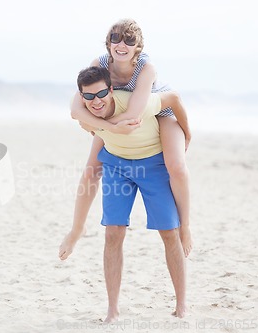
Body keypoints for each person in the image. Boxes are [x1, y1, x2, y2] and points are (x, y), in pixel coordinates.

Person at [60, 66, 186, 321]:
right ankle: (112, 310)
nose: (96, 101)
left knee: (170, 234)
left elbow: (173, 99)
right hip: (117, 166)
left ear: (111, 89)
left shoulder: (135, 105)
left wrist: (187, 132)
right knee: (112, 233)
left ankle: (181, 306)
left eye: (101, 94)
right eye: (88, 96)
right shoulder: (85, 113)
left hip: (153, 164)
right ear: (81, 97)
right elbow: (81, 117)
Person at [68, 18, 192, 257]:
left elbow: (135, 115)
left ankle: (185, 226)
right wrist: (104, 126)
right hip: (115, 114)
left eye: (129, 39)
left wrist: (188, 131)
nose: (121, 43)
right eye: (116, 38)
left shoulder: (147, 68)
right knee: (91, 169)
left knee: (176, 166)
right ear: (108, 43)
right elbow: (76, 110)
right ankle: (76, 229)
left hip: (157, 111)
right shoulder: (100, 64)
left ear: (138, 46)